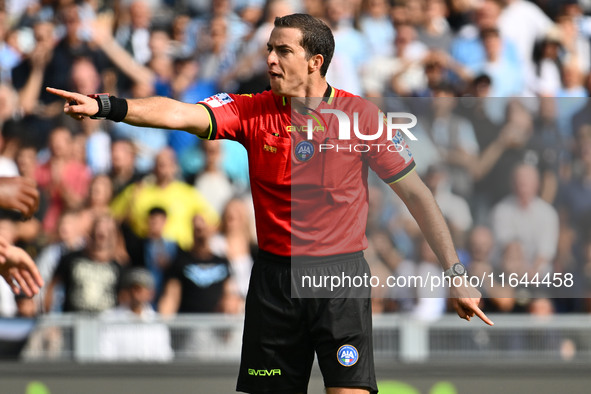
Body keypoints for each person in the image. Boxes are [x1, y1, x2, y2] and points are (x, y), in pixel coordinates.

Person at [47, 13, 492, 394]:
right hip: (274, 280)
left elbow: (418, 195)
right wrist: (107, 105)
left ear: (316, 62)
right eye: (268, 49)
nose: (270, 60)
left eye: (282, 51)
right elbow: (179, 113)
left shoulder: (363, 118)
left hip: (339, 279)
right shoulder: (251, 109)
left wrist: (455, 271)